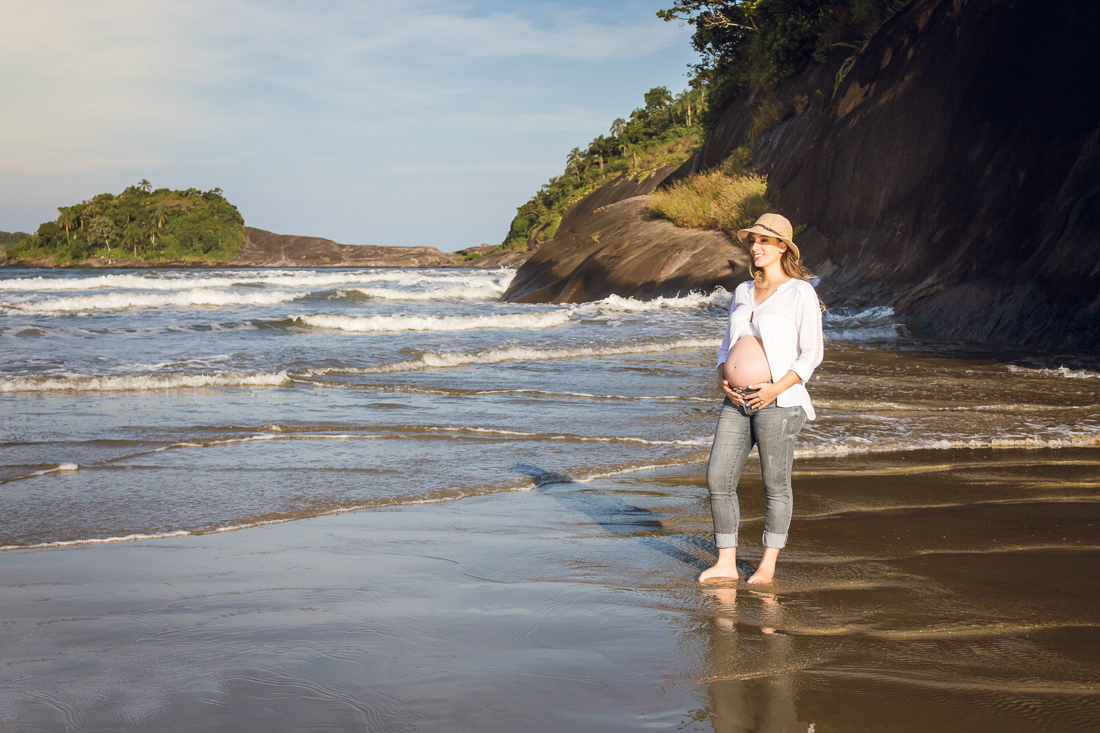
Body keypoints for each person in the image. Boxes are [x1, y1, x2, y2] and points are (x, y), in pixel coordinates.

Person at [698, 213, 824, 584]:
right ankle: (726, 563)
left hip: (779, 401)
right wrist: (723, 373)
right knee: (718, 477)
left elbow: (811, 353)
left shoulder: (800, 292)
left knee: (775, 484)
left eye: (764, 241)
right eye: (753, 241)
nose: (755, 247)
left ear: (783, 247)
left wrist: (774, 388)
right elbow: (728, 343)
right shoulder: (741, 291)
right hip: (735, 400)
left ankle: (767, 567)